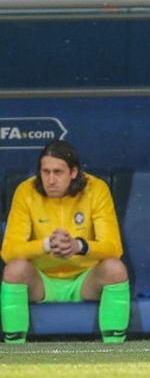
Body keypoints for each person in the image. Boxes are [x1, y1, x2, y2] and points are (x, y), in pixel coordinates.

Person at [1, 140, 129, 343]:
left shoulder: (96, 189)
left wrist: (79, 246)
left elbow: (114, 248)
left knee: (115, 269)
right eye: (45, 172)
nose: (50, 180)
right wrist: (45, 245)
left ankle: (114, 349)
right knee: (14, 270)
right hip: (42, 281)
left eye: (58, 172)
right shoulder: (26, 191)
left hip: (84, 280)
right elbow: (8, 252)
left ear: (73, 172)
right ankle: (15, 349)